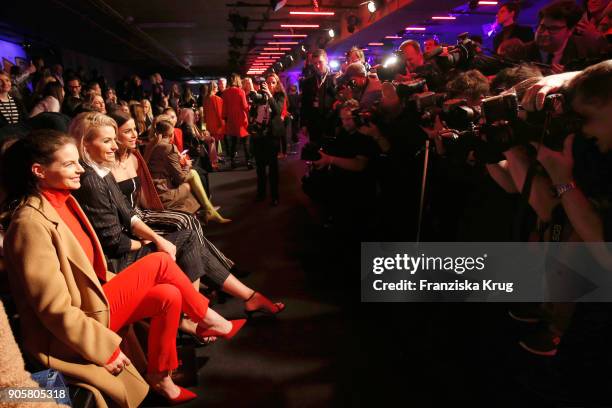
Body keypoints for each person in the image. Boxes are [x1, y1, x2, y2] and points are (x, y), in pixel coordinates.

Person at [0, 130, 245, 405]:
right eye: (69, 164)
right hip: (70, 331)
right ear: (39, 171)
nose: (81, 168)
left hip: (94, 303)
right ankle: (206, 318)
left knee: (169, 295)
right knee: (161, 261)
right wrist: (105, 349)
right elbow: (54, 310)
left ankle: (160, 376)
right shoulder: (29, 224)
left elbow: (93, 270)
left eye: (77, 161)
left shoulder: (63, 200)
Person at [520, 0, 610, 73]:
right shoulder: (523, 51)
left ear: (570, 31)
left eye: (553, 29)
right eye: (542, 27)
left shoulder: (585, 54)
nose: (544, 33)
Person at [251, 73, 285, 206]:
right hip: (259, 135)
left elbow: (277, 110)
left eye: (273, 82)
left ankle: (275, 196)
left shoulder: (279, 96)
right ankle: (261, 194)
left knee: (273, 168)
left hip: (272, 136)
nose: (270, 85)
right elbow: (253, 113)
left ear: (277, 85)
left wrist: (269, 96)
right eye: (268, 82)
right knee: (259, 167)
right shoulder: (259, 96)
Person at [300, 49, 337, 144]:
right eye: (315, 63)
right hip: (314, 122)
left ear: (326, 60)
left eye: (320, 62)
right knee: (315, 150)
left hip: (331, 121)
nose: (317, 66)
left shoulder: (335, 78)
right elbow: (304, 104)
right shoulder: (308, 82)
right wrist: (303, 124)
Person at [222, 74, 250, 169]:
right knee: (245, 141)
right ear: (238, 80)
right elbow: (245, 107)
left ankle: (232, 162)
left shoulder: (225, 93)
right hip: (241, 120)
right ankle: (248, 162)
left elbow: (224, 109)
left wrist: (225, 119)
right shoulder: (240, 91)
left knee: (233, 142)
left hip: (231, 120)